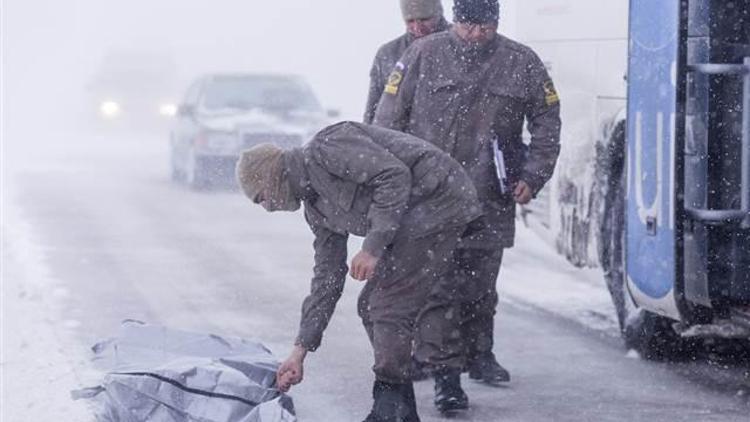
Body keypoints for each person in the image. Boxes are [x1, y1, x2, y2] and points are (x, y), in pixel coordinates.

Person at [373, 0, 562, 410]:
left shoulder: (521, 61)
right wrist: (394, 182)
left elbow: (547, 119)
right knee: (438, 288)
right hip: (430, 198)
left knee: (478, 285)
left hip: (488, 196)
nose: (476, 35)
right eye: (469, 26)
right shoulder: (421, 55)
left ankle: (479, 353)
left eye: (485, 27)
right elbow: (387, 122)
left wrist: (533, 175)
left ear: (496, 23)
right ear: (455, 21)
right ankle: (446, 378)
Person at [235, 121, 483, 422]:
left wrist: (372, 247)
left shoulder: (327, 146)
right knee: (369, 307)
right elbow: (327, 278)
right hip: (411, 219)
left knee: (387, 307)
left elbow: (394, 175)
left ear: (270, 176)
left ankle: (387, 410)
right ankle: (400, 407)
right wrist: (300, 350)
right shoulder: (316, 210)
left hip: (438, 199)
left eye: (260, 197)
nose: (267, 208)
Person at [363, 0, 450, 124]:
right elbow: (372, 112)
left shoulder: (461, 48)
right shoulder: (388, 54)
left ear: (438, 14)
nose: (418, 27)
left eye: (424, 19)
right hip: (399, 140)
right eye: (410, 21)